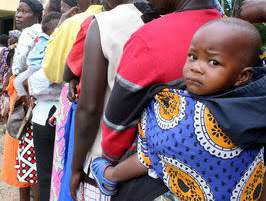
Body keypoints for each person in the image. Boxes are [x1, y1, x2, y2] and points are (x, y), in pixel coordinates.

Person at [98, 0, 240, 199]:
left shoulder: (151, 37)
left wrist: (109, 162)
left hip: (158, 183)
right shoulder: (233, 32)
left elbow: (117, 125)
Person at [92, 18, 265, 200]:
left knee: (152, 153)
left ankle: (110, 176)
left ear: (243, 76)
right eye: (193, 57)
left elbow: (154, 152)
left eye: (214, 63)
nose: (196, 68)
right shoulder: (256, 105)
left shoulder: (184, 114)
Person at [66, 0, 157, 201]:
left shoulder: (103, 24)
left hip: (104, 164)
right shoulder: (171, 20)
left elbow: (89, 107)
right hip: (154, 165)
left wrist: (75, 167)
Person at [46, 0, 103, 200]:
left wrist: (60, 28)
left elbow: (53, 70)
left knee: (69, 171)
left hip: (78, 105)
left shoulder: (77, 22)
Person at [0, 0, 43, 201]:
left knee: (22, 151)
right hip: (26, 96)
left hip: (23, 98)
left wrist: (13, 97)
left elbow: (22, 70)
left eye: (24, 11)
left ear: (36, 14)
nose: (18, 15)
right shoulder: (37, 32)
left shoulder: (31, 33)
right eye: (17, 10)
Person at [26, 11, 62, 201]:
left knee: (48, 174)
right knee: (50, 174)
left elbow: (34, 84)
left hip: (47, 114)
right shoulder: (48, 47)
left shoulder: (49, 47)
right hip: (52, 115)